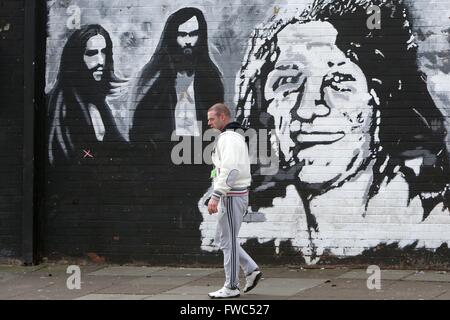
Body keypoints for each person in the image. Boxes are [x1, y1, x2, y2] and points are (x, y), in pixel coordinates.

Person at [200, 0, 450, 262]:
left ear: (378, 100)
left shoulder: (428, 211)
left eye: (339, 83)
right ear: (265, 104)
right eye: (288, 82)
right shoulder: (246, 212)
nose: (307, 109)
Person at [126, 7, 224, 258]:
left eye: (194, 34)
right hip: (162, 167)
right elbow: (140, 130)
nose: (188, 41)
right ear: (172, 37)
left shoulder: (209, 78)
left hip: (197, 164)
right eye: (182, 35)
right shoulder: (155, 78)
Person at [47, 24, 127, 166]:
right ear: (76, 58)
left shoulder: (98, 102)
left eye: (104, 52)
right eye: (91, 54)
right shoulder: (62, 105)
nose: (101, 61)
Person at [206, 103, 262, 299]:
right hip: (234, 195)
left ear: (223, 117)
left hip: (231, 197)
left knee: (228, 241)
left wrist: (216, 195)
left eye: (212, 119)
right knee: (224, 239)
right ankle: (251, 269)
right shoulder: (232, 137)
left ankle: (231, 286)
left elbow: (231, 170)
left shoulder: (228, 139)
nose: (209, 122)